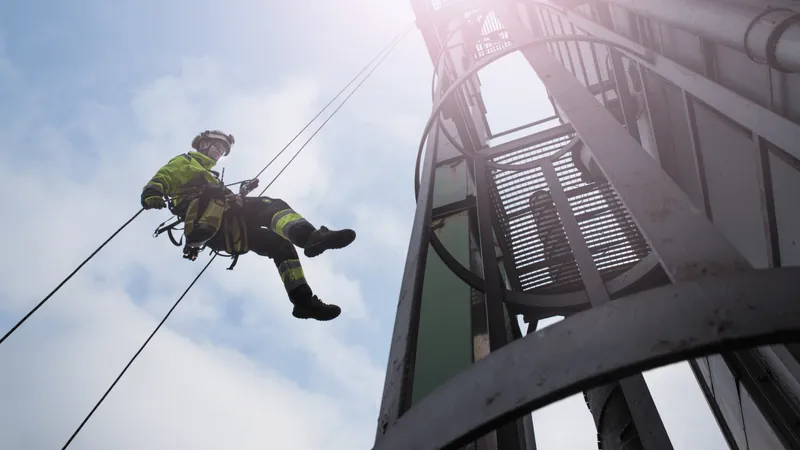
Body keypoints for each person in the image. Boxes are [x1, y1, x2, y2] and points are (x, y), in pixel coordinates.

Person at [139, 130, 356, 321]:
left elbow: (222, 203)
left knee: (280, 245)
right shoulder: (188, 162)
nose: (218, 153)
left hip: (223, 229)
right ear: (203, 144)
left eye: (223, 151)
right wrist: (153, 192)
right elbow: (166, 175)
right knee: (272, 206)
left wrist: (242, 192)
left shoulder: (212, 178)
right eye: (217, 147)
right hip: (210, 221)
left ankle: (303, 302)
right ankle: (309, 237)